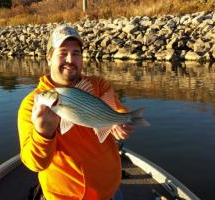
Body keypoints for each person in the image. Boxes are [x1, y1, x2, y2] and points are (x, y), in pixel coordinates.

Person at [18, 25, 135, 200]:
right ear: (49, 58)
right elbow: (34, 163)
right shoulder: (33, 104)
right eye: (62, 52)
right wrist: (44, 133)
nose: (70, 59)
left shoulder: (98, 85)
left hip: (111, 191)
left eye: (76, 53)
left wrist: (122, 120)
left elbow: (116, 107)